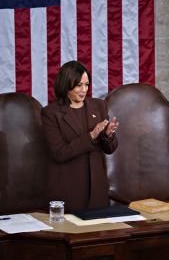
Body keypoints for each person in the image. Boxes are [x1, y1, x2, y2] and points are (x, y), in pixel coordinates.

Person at [41, 61, 119, 211]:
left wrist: (108, 136)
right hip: (69, 191)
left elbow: (109, 149)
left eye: (86, 85)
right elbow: (59, 153)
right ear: (66, 85)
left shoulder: (99, 106)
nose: (83, 90)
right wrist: (91, 136)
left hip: (97, 191)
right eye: (78, 85)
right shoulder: (51, 113)